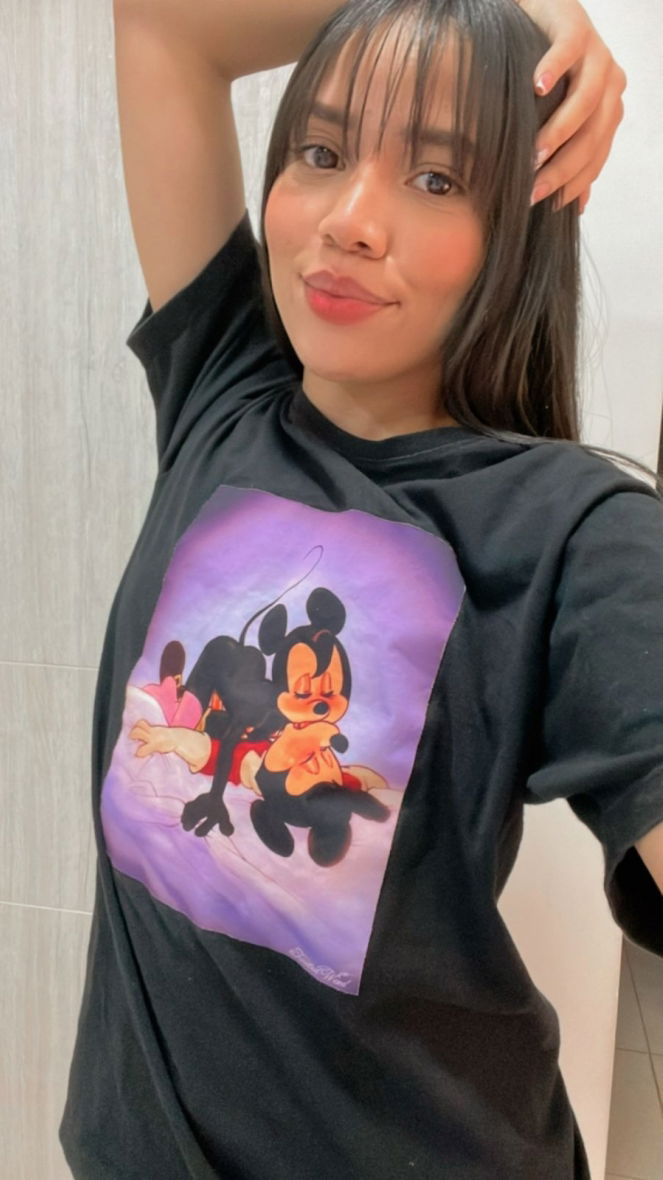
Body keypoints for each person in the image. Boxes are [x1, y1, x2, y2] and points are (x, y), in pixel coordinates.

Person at [60, 0, 663, 1177]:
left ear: (520, 218)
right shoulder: (225, 389)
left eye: (437, 177)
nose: (350, 220)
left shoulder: (574, 534)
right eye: (323, 151)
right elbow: (163, 25)